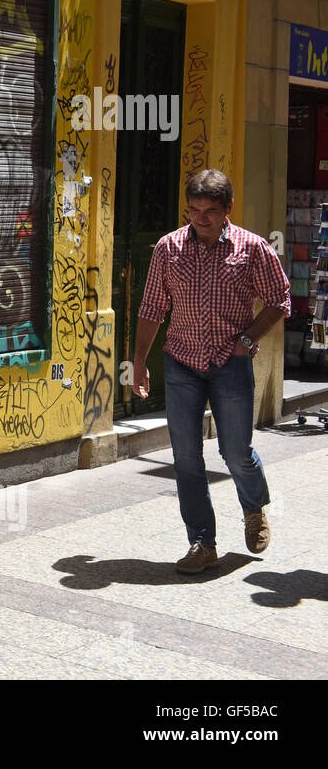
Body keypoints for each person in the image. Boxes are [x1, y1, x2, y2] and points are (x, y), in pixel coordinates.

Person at [132, 169, 290, 573]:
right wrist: (139, 363)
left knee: (235, 452)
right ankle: (202, 542)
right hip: (181, 362)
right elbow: (152, 308)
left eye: (210, 211)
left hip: (230, 365)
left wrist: (248, 341)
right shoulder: (168, 249)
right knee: (186, 458)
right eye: (194, 210)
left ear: (227, 211)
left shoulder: (252, 249)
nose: (200, 219)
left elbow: (279, 298)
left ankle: (254, 508)